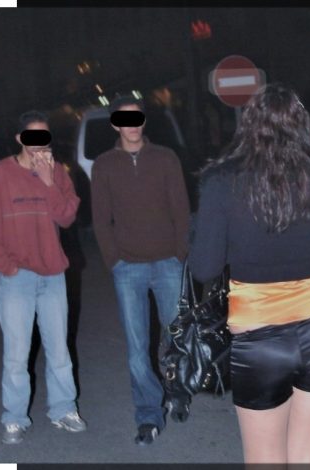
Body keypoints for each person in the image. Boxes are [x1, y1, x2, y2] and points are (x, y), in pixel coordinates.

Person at [188, 83, 310, 464]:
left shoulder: (222, 182)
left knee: (265, 459)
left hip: (258, 338)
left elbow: (204, 267)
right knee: (306, 456)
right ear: (301, 126)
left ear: (248, 124)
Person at [0, 110, 86, 444]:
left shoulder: (57, 172)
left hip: (53, 275)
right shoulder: (0, 172)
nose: (39, 144)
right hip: (17, 278)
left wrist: (48, 181)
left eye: (44, 136)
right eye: (32, 136)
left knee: (59, 351)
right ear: (20, 138)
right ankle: (14, 418)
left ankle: (63, 410)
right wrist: (5, 265)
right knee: (16, 354)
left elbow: (66, 216)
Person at [91, 95, 191, 445]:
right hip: (127, 268)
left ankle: (178, 391)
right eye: (124, 120)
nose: (131, 125)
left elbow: (181, 210)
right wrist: (114, 259)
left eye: (136, 118)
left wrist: (179, 254)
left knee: (177, 335)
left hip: (168, 263)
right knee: (137, 347)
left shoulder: (165, 157)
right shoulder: (104, 165)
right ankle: (149, 414)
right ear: (115, 124)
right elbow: (101, 219)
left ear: (143, 121)